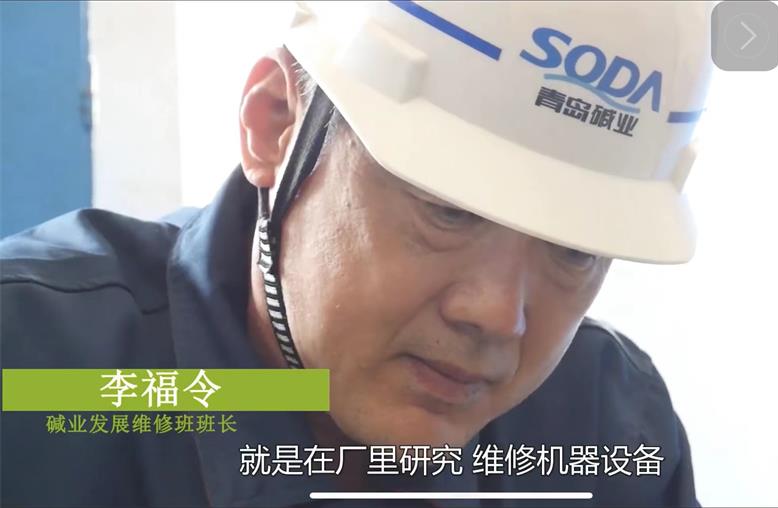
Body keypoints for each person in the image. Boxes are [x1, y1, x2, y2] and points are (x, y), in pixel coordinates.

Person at [1, 2, 713, 506]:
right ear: (275, 126)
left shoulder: (608, 428)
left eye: (574, 252)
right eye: (447, 210)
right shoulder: (38, 376)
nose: (499, 316)